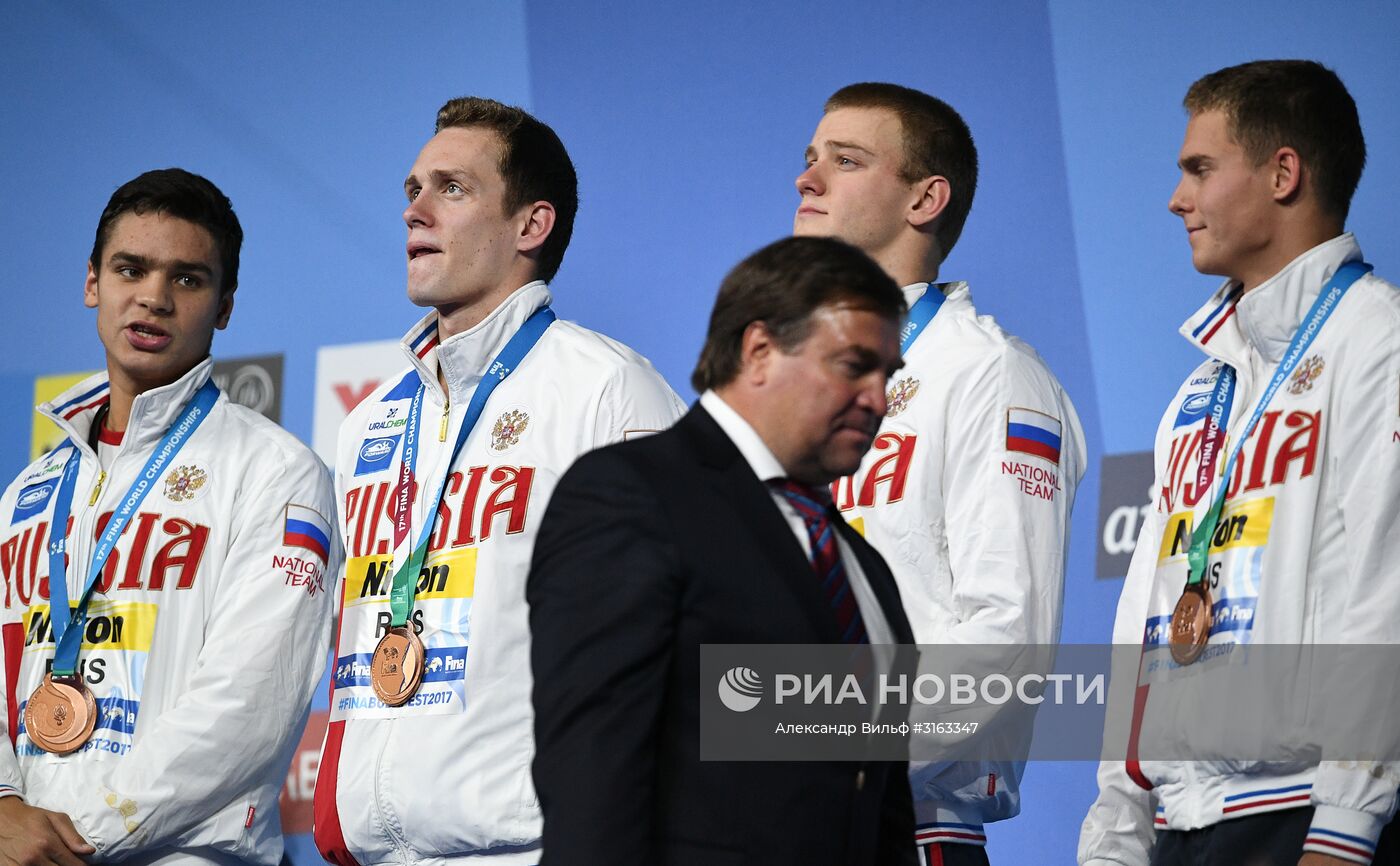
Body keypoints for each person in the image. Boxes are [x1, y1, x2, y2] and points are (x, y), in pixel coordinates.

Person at [313, 96, 684, 866]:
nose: (416, 209)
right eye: (412, 188)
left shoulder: (607, 390)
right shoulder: (370, 422)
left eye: (452, 188)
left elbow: (678, 633)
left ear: (531, 226)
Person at [1079, 60, 1400, 866]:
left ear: (1283, 172)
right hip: (1180, 827)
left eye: (1199, 169)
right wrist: (1117, 831)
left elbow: (1385, 594)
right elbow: (1143, 620)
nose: (1176, 198)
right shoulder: (1200, 390)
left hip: (1308, 824)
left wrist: (1346, 828)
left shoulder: (1379, 342)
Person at [529, 235, 917, 866]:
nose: (879, 398)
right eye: (853, 366)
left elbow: (882, 810)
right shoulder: (632, 495)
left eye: (887, 375)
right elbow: (593, 778)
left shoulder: (862, 567)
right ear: (759, 351)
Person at [0, 168, 340, 865]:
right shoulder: (25, 494)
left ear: (224, 306)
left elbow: (249, 708)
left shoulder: (276, 472)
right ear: (93, 282)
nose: (153, 297)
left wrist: (71, 841)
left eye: (187, 279)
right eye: (132, 269)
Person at [793, 82, 1086, 864]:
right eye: (809, 159)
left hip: (907, 826)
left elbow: (1002, 642)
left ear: (926, 198)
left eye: (845, 161)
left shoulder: (988, 373)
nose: (807, 179)